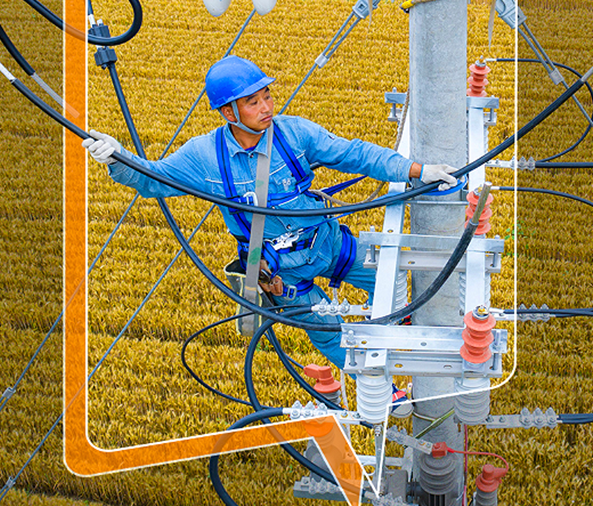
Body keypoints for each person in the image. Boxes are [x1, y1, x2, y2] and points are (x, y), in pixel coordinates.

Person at [83, 56, 457, 371]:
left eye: (267, 96)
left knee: (392, 289)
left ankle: (407, 329)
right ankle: (379, 384)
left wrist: (417, 171)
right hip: (281, 274)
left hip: (328, 245)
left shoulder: (293, 134)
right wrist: (117, 158)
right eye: (253, 102)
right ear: (228, 112)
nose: (266, 108)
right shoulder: (205, 157)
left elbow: (353, 153)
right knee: (329, 333)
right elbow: (155, 180)